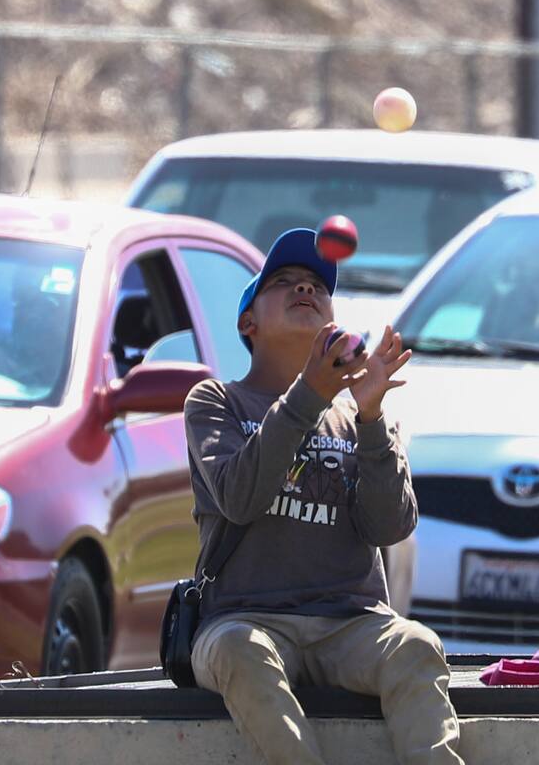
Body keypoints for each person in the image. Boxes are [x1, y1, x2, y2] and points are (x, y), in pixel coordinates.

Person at [183, 228, 463, 765]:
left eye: (316, 284)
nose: (304, 289)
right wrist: (309, 394)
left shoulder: (358, 415)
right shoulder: (216, 401)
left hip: (351, 624)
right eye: (284, 282)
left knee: (417, 645)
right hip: (243, 621)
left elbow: (390, 527)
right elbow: (239, 498)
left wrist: (373, 417)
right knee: (244, 653)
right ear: (249, 323)